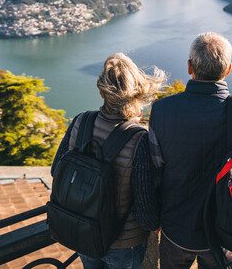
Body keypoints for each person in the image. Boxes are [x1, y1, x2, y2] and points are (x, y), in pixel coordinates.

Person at [149, 32, 232, 269]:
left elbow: (155, 168)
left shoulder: (162, 110)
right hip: (224, 231)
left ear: (189, 67)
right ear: (228, 70)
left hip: (176, 227)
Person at [51, 53, 164, 269]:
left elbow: (57, 170)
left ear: (102, 90)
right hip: (124, 243)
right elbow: (144, 205)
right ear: (136, 91)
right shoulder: (140, 139)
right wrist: (156, 224)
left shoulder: (81, 121)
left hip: (83, 231)